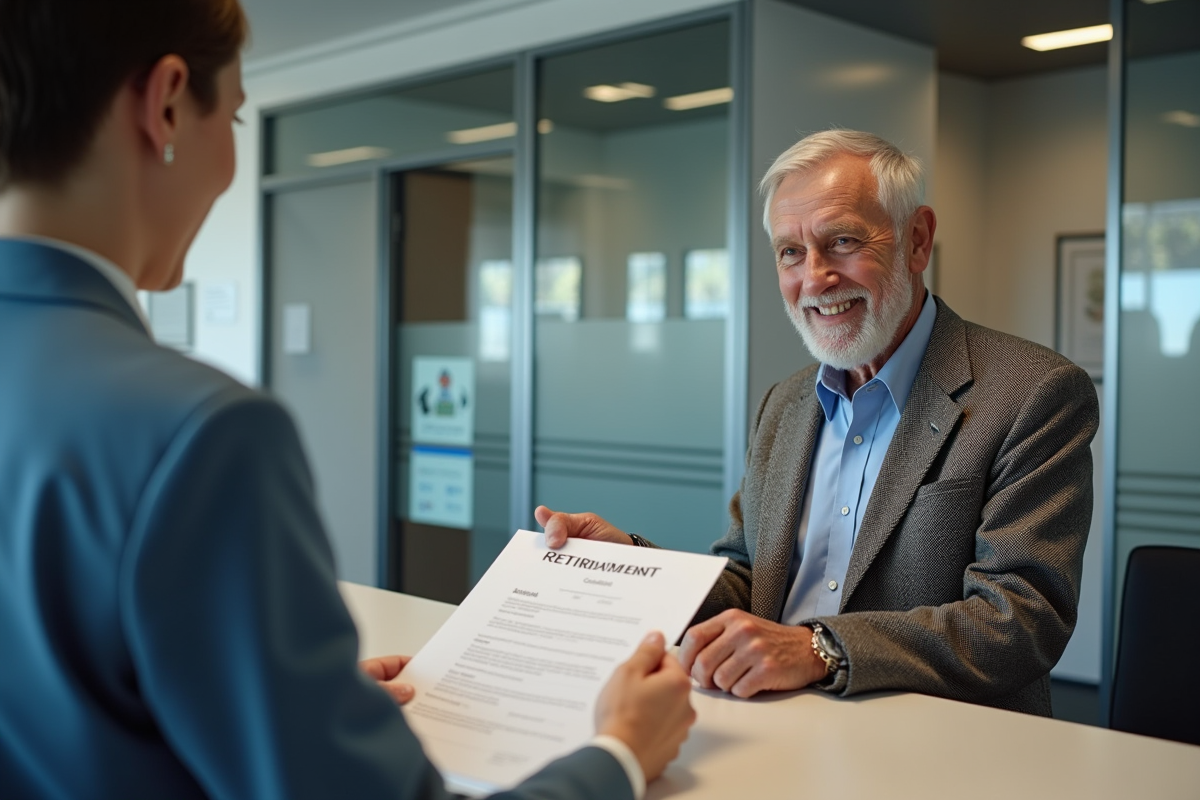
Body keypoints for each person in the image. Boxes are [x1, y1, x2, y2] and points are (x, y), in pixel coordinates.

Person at [0, 2, 694, 798]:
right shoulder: (198, 433)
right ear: (165, 104)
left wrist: (289, 703)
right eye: (232, 118)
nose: (230, 165)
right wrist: (621, 752)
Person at [538, 129, 1098, 716]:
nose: (815, 277)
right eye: (790, 252)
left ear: (917, 240)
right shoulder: (784, 404)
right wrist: (628, 564)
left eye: (843, 241)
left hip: (938, 743)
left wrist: (818, 649)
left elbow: (1021, 619)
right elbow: (750, 582)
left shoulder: (1033, 392)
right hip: (783, 727)